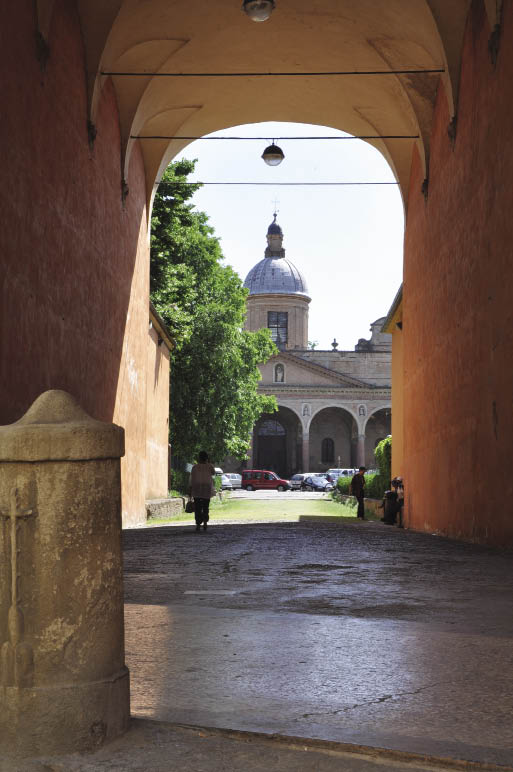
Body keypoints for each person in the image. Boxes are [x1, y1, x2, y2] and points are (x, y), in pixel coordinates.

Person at [189, 451, 215, 532]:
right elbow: (213, 473)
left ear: (199, 458)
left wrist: (190, 489)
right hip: (206, 488)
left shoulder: (194, 467)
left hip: (197, 488)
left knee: (197, 507)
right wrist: (209, 462)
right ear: (207, 458)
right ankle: (205, 523)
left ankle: (198, 524)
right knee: (205, 506)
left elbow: (191, 478)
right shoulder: (210, 466)